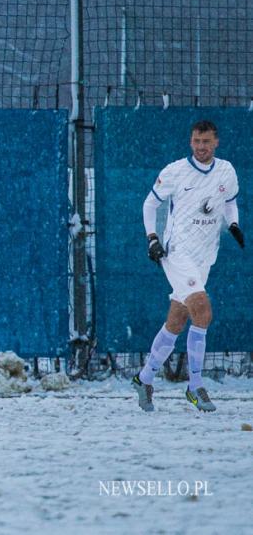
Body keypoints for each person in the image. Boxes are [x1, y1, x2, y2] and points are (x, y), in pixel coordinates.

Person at [132, 120, 243, 413]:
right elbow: (149, 205)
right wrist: (152, 238)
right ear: (191, 142)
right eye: (196, 141)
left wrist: (233, 224)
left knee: (178, 321)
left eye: (206, 142)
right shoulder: (175, 171)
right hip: (176, 253)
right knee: (203, 311)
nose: (201, 147)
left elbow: (230, 202)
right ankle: (195, 386)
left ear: (216, 142)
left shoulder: (226, 171)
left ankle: (144, 379)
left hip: (205, 256)